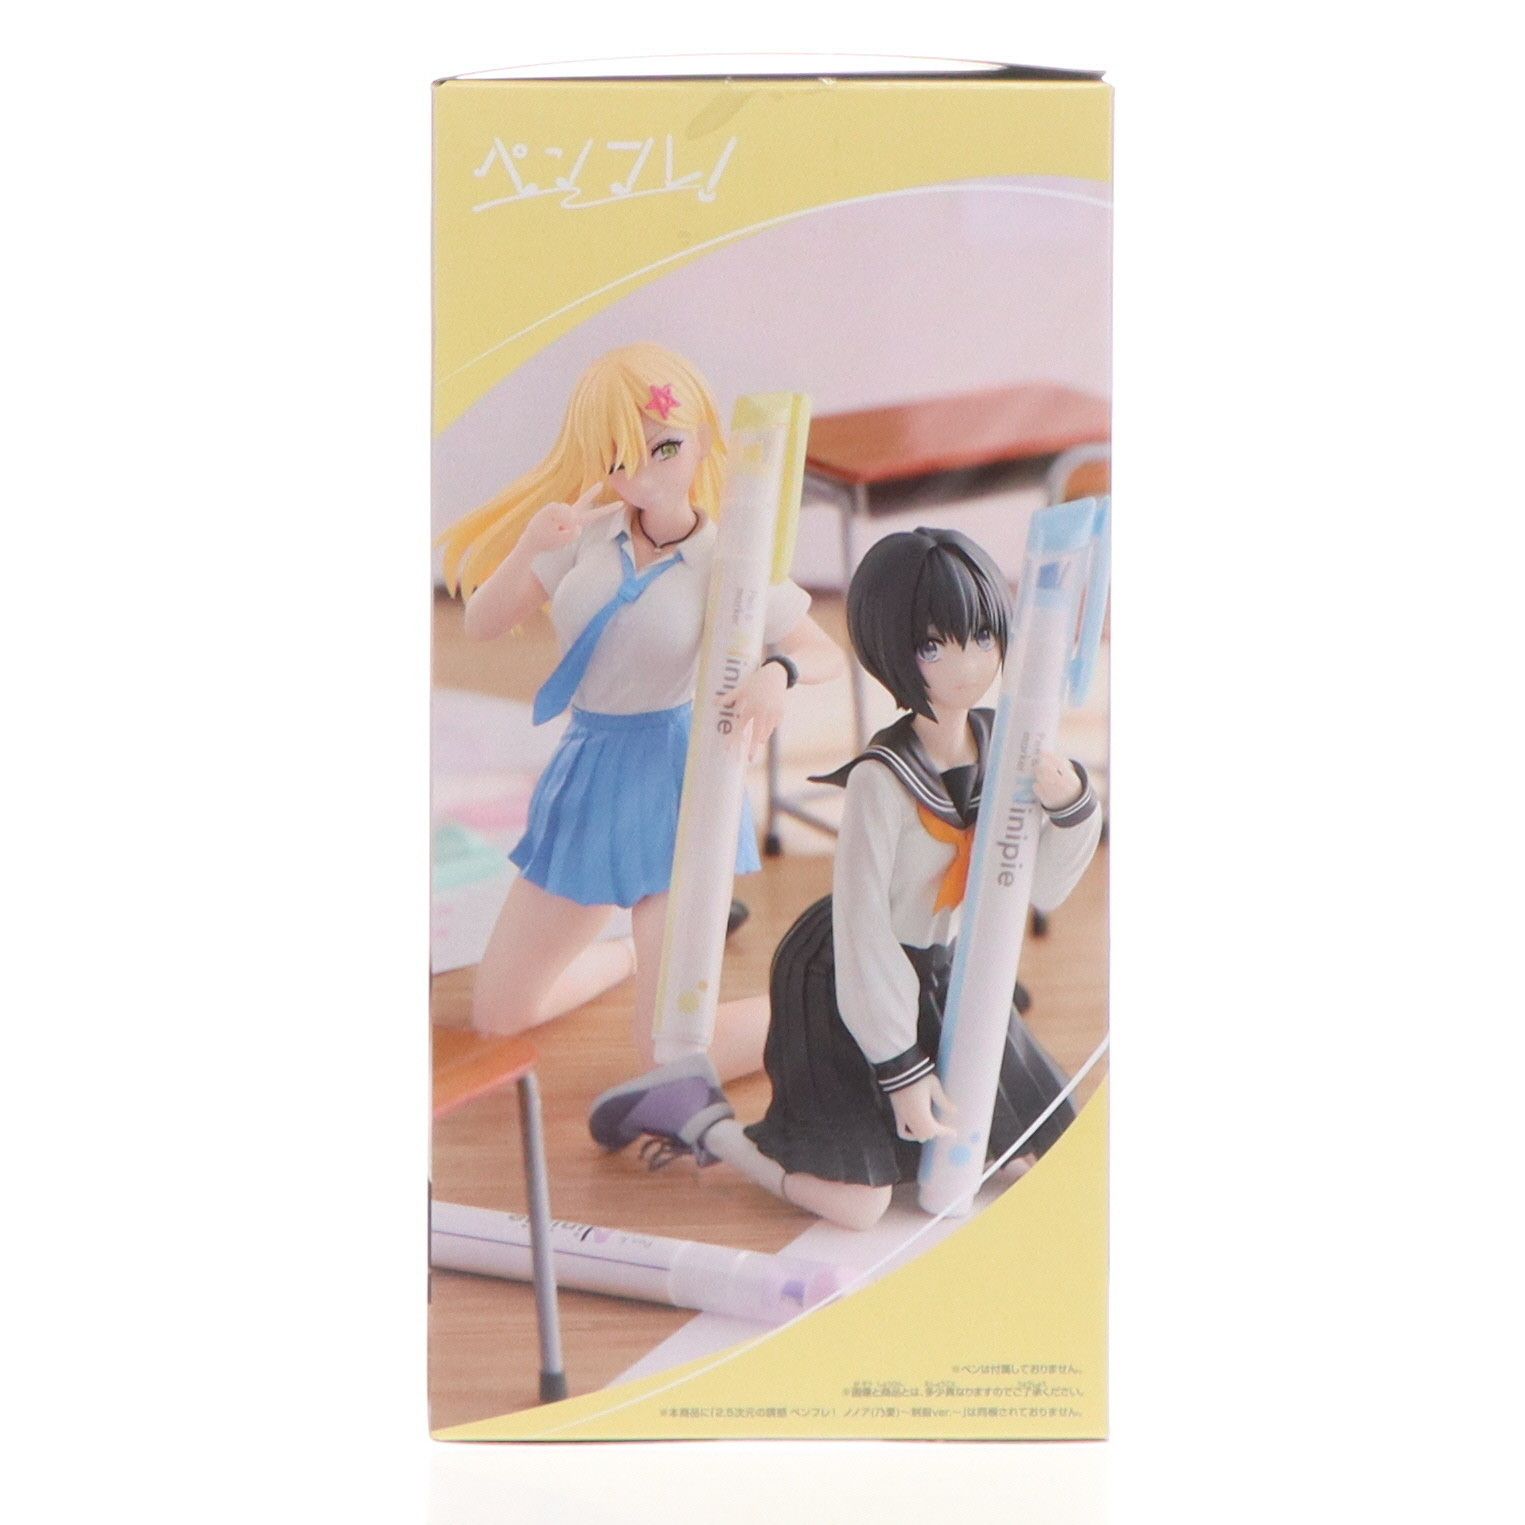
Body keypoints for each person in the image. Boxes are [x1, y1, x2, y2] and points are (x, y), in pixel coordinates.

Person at [589, 527, 1102, 1228]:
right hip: (841, 976)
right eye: (933, 645)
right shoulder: (879, 781)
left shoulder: (1002, 746)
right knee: (858, 1203)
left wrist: (1070, 805)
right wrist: (900, 1066)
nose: (966, 663)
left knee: (1032, 1146)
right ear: (892, 650)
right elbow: (864, 929)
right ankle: (700, 1119)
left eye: (982, 636)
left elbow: (1035, 890)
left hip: (940, 970)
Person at [438, 343, 842, 1077]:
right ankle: (630, 954)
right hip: (589, 772)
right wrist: (531, 543)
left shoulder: (731, 559)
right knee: (499, 1013)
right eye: (623, 459)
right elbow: (481, 623)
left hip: (675, 785)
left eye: (666, 449)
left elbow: (824, 652)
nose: (645, 475)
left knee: (670, 1050)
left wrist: (778, 671)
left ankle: (843, 1012)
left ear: (703, 440)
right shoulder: (587, 537)